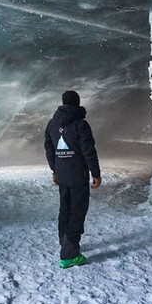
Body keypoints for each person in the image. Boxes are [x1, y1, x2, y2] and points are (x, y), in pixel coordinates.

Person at [44, 90, 101, 268]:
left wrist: (55, 171)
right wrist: (96, 173)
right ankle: (69, 255)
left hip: (62, 175)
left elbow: (49, 150)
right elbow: (88, 151)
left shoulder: (52, 124)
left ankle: (65, 242)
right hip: (78, 176)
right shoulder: (80, 124)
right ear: (77, 103)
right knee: (77, 212)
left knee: (65, 209)